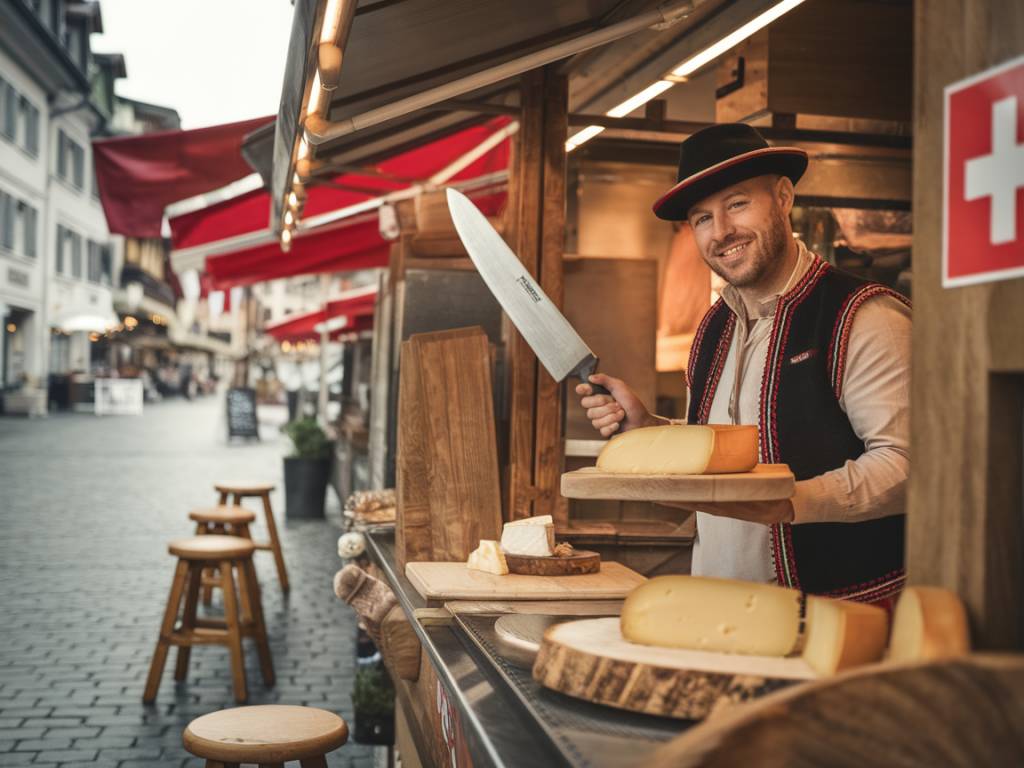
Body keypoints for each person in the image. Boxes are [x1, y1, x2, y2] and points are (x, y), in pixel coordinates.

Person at [576, 123, 911, 605]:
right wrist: (648, 427)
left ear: (782, 196)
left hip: (834, 618)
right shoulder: (713, 327)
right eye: (702, 219)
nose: (722, 232)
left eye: (737, 204)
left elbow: (907, 467)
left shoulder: (862, 315)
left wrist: (791, 501)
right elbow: (726, 452)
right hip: (722, 610)